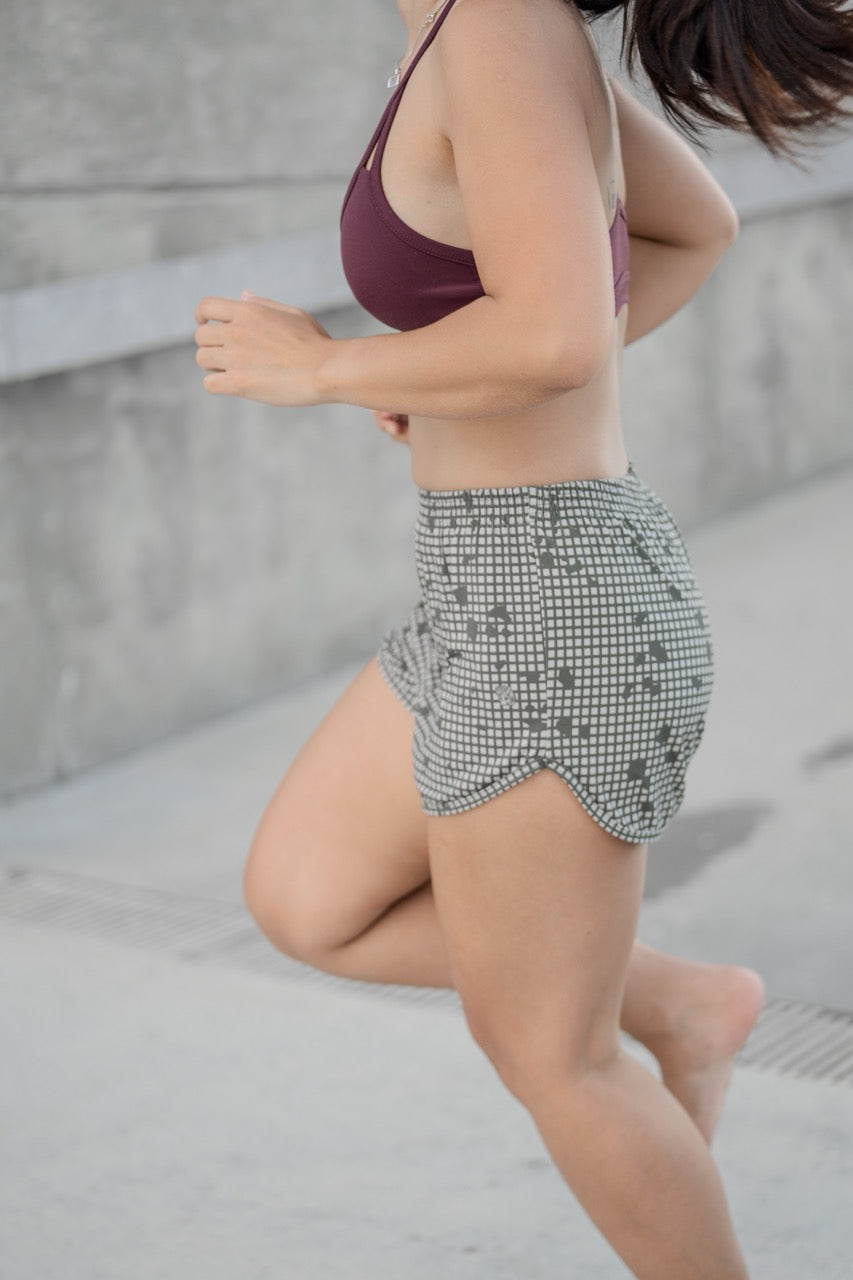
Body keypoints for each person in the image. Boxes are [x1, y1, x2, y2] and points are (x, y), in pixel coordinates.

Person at [194, 1, 853, 1275]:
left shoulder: (498, 24)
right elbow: (691, 229)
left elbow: (552, 335)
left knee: (554, 1056)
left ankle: (657, 1038)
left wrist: (330, 368)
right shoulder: (471, 24)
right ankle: (678, 1000)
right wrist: (446, 377)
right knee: (308, 894)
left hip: (555, 608)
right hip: (482, 586)